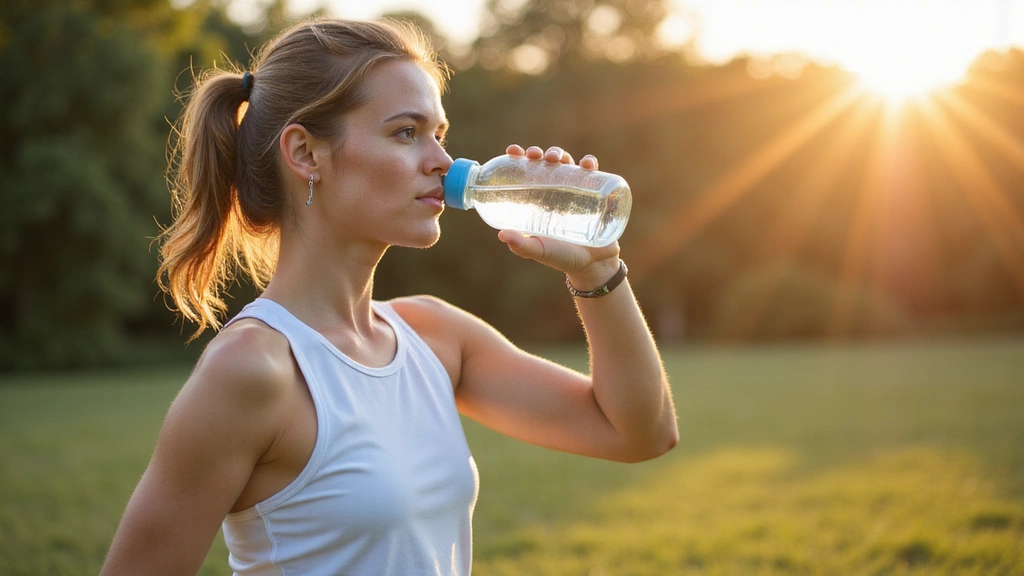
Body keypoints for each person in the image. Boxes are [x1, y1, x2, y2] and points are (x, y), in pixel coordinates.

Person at [100, 16, 678, 576]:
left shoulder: (435, 336)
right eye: (406, 132)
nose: (443, 162)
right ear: (304, 154)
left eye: (439, 134)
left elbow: (639, 433)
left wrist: (599, 271)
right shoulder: (254, 369)